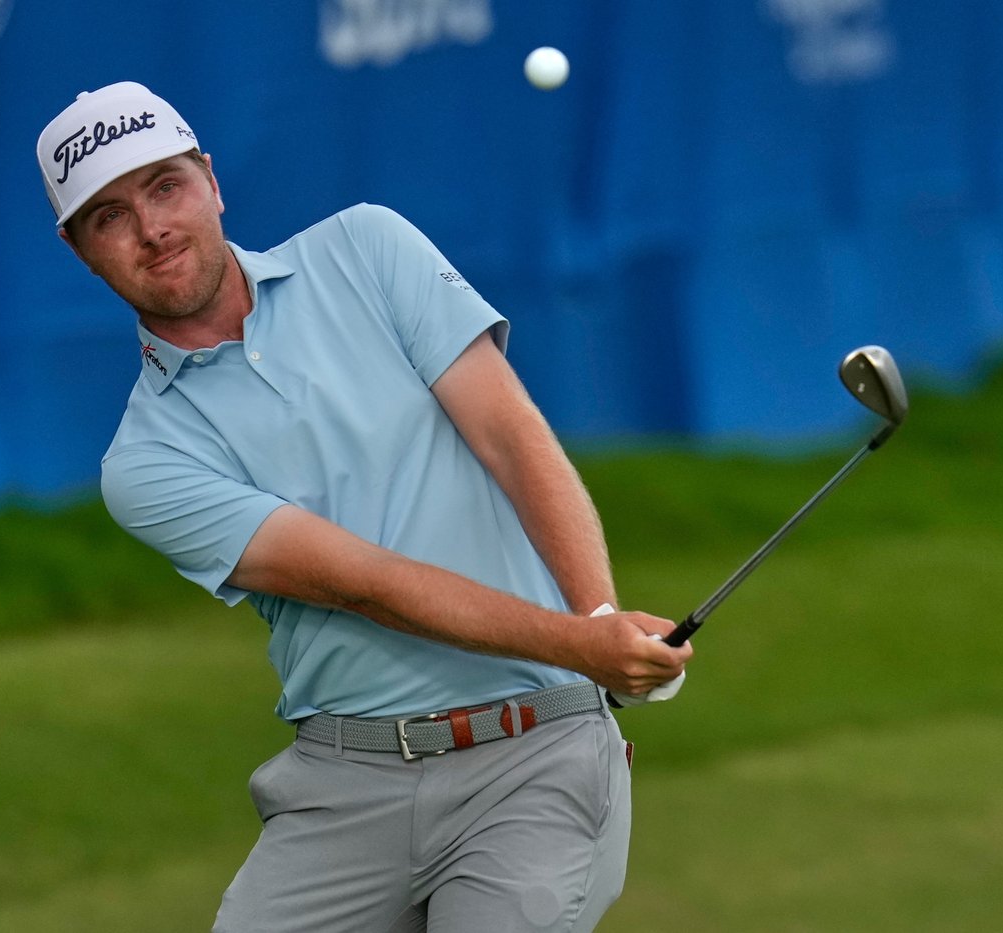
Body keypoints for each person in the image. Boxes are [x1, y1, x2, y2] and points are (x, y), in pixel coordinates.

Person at [36, 81, 692, 933]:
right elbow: (364, 583)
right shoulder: (145, 461)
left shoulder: (366, 248)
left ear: (211, 179)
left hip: (535, 751)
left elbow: (510, 434)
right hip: (344, 785)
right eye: (110, 216)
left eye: (166, 186)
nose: (153, 228)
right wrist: (584, 643)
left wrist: (598, 614)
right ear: (80, 250)